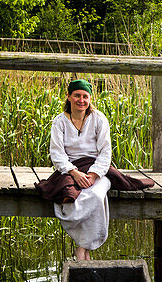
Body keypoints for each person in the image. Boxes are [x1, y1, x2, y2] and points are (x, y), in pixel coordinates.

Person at [45, 78, 112, 260]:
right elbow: (57, 154)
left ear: (90, 98)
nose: (81, 100)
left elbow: (105, 152)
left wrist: (93, 174)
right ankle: (85, 249)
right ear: (68, 97)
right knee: (70, 198)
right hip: (69, 170)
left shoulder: (99, 119)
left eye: (85, 96)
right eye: (76, 96)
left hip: (96, 170)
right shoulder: (59, 122)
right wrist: (74, 172)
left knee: (96, 196)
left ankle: (82, 247)